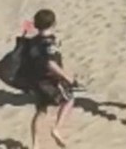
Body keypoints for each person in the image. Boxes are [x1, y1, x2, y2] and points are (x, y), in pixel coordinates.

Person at [23, 9, 81, 149]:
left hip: (35, 81)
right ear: (54, 23)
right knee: (69, 99)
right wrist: (66, 76)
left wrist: (25, 31)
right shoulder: (49, 43)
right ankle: (57, 128)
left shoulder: (33, 42)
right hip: (49, 81)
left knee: (41, 111)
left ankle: (35, 144)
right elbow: (51, 64)